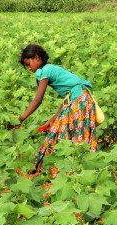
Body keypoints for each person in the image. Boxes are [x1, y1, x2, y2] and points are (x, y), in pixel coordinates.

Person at [14, 44, 97, 173]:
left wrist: (20, 120)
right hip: (77, 99)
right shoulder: (48, 69)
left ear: (37, 58)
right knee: (57, 129)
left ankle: (75, 171)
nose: (29, 68)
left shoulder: (46, 70)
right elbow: (67, 97)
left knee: (74, 137)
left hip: (80, 100)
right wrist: (54, 118)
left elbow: (37, 100)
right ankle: (44, 167)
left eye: (29, 64)